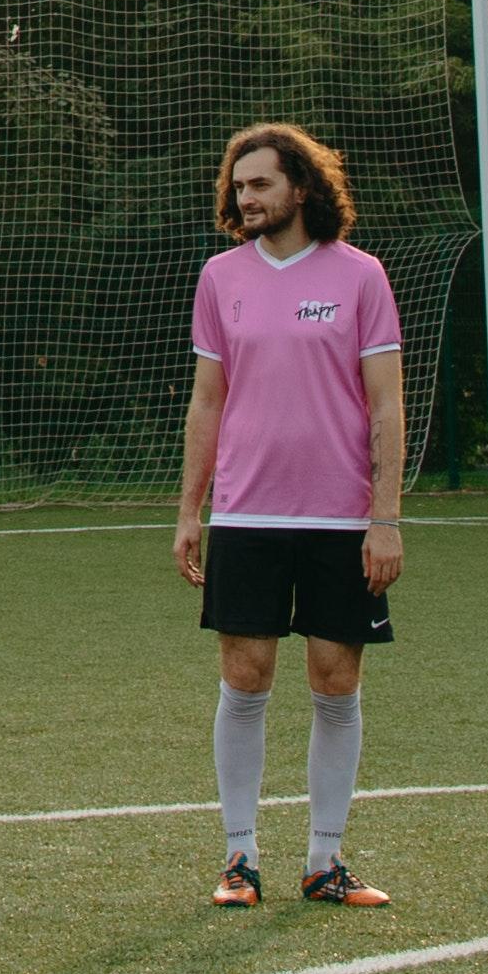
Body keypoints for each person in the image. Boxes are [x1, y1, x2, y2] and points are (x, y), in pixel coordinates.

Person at [174, 119, 409, 909]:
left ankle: (324, 862)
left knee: (335, 680)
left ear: (302, 188)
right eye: (239, 187)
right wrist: (190, 510)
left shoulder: (361, 277)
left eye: (261, 184)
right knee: (245, 676)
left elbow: (386, 405)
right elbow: (208, 401)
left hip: (343, 519)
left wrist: (386, 516)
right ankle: (239, 859)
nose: (246, 198)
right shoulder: (220, 278)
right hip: (246, 514)